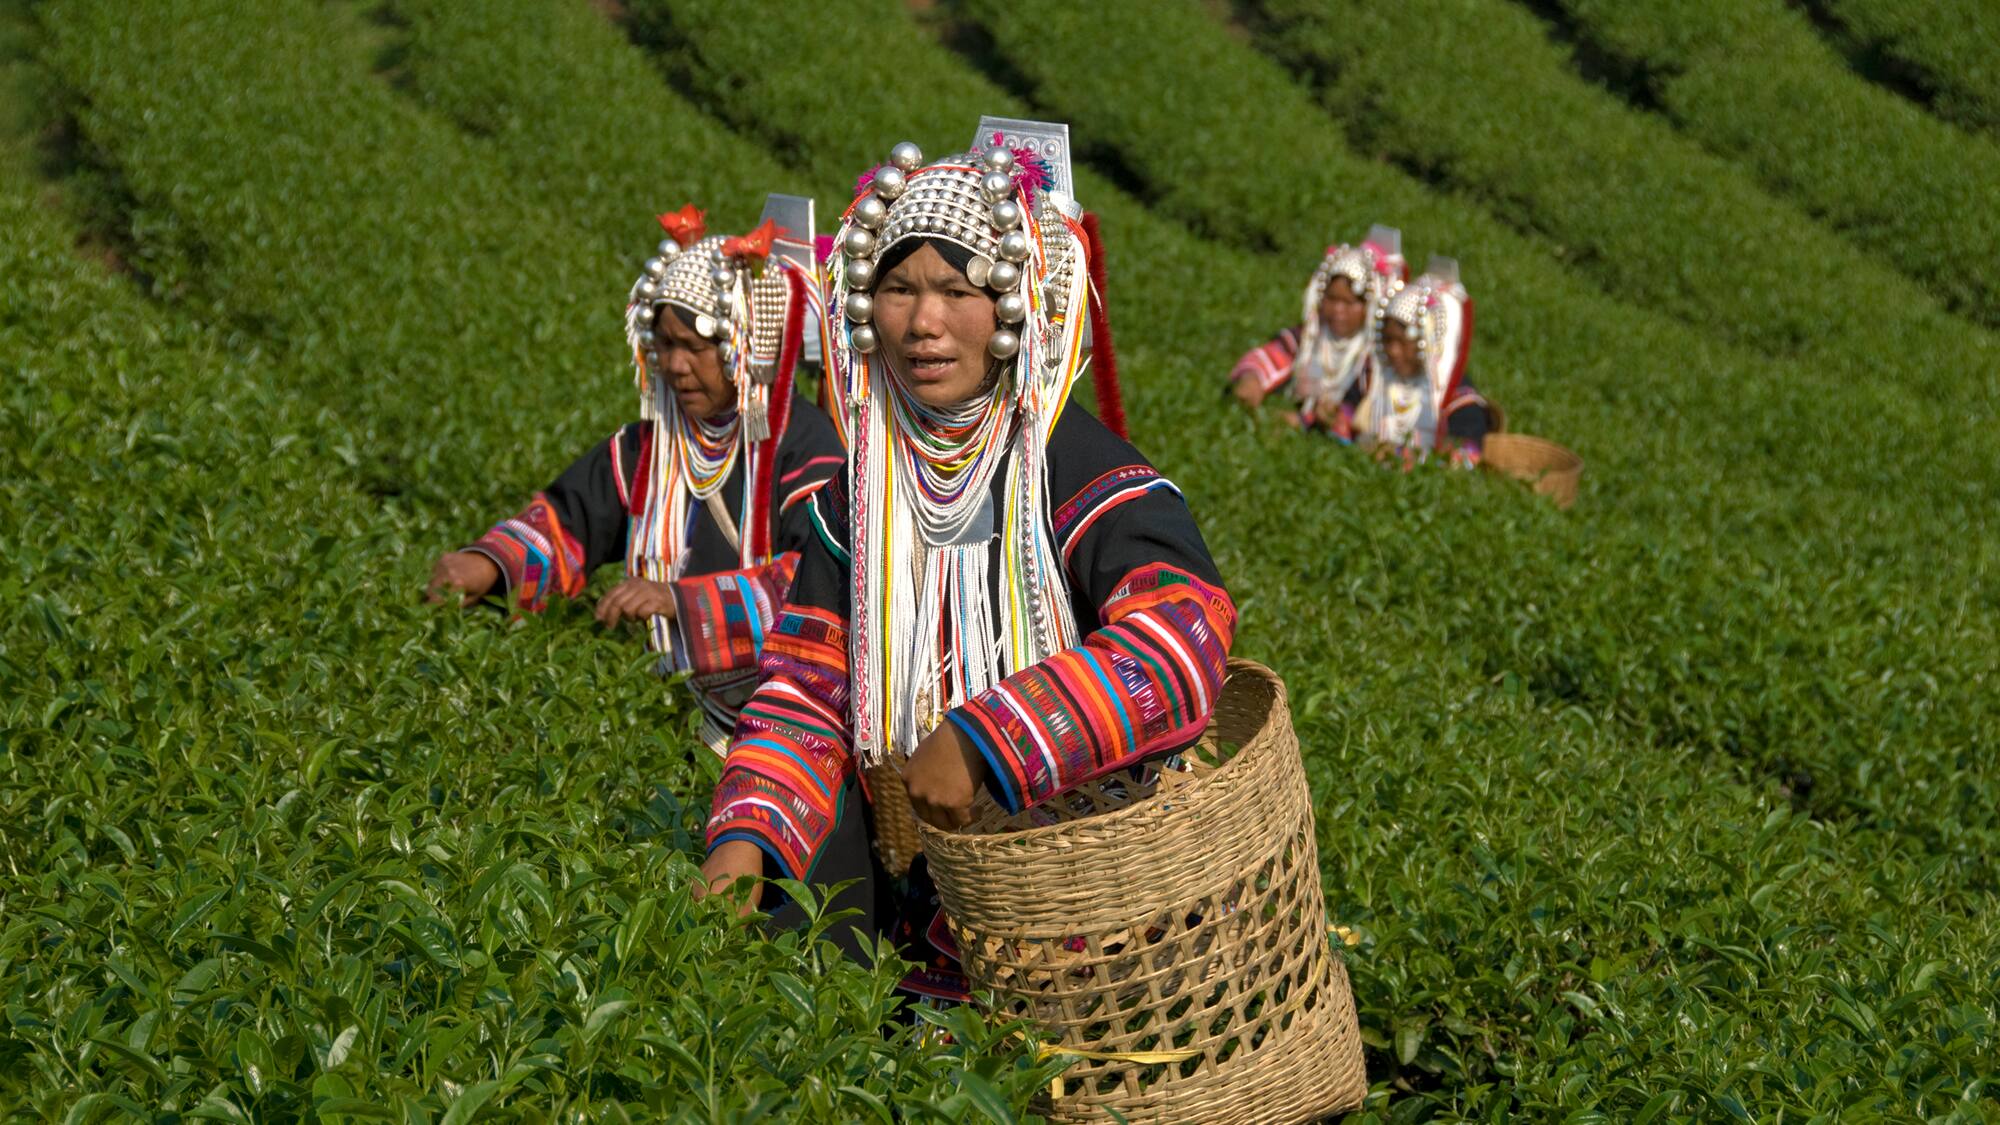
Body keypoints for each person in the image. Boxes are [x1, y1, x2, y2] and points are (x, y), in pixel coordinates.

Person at [695, 137, 1237, 999]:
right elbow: (808, 680)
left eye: (957, 290)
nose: (923, 323)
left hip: (1083, 886)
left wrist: (986, 737)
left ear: (1015, 302)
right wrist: (744, 840)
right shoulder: (865, 483)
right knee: (793, 863)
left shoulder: (1079, 465)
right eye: (899, 289)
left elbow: (1183, 638)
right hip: (930, 873)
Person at [427, 205, 845, 750]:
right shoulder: (650, 445)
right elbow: (568, 520)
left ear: (744, 345)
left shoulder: (803, 447)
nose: (674, 366)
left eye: (693, 348)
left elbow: (818, 583)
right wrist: (488, 564)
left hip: (773, 728)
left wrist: (679, 600)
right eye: (664, 346)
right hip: (652, 705)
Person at [1228, 227, 1406, 432]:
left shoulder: (1373, 361)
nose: (1338, 310)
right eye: (1332, 299)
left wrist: (1311, 420)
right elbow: (1273, 354)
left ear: (1370, 306)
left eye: (1349, 303)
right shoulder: (1311, 337)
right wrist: (1252, 378)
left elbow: (1359, 410)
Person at [1355, 257, 1490, 466]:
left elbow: (1468, 454)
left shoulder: (1457, 400)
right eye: (1388, 340)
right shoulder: (1376, 378)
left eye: (1403, 342)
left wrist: (1407, 457)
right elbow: (1347, 412)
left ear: (1429, 344)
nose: (1393, 351)